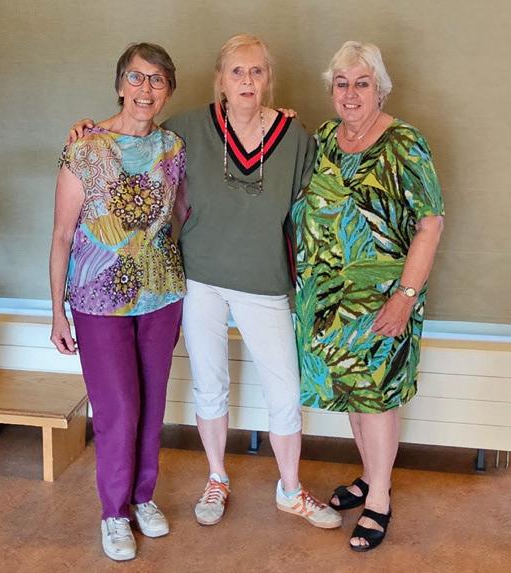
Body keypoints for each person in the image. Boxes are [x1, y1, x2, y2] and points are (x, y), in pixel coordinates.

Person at [69, 34, 340, 530]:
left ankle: (290, 489)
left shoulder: (295, 136)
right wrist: (88, 128)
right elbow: (133, 136)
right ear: (220, 80)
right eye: (237, 71)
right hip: (199, 280)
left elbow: (310, 208)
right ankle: (217, 478)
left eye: (257, 71)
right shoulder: (186, 130)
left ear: (269, 80)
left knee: (284, 390)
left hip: (264, 281)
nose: (247, 80)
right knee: (210, 385)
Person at [291, 41, 445, 552]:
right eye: (342, 84)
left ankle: (378, 498)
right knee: (353, 393)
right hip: (329, 300)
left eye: (362, 83)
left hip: (382, 299)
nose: (351, 93)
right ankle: (370, 475)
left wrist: (405, 296)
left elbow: (430, 225)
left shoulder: (405, 143)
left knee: (376, 399)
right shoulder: (324, 138)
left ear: (380, 89)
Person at [48, 42, 186, 562]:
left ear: (168, 90)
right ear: (119, 84)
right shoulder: (84, 149)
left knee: (151, 405)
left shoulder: (174, 148)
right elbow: (62, 235)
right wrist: (58, 312)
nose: (145, 89)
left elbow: (186, 212)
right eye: (136, 77)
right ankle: (113, 512)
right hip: (97, 299)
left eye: (157, 80)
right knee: (118, 409)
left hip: (161, 293)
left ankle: (143, 497)